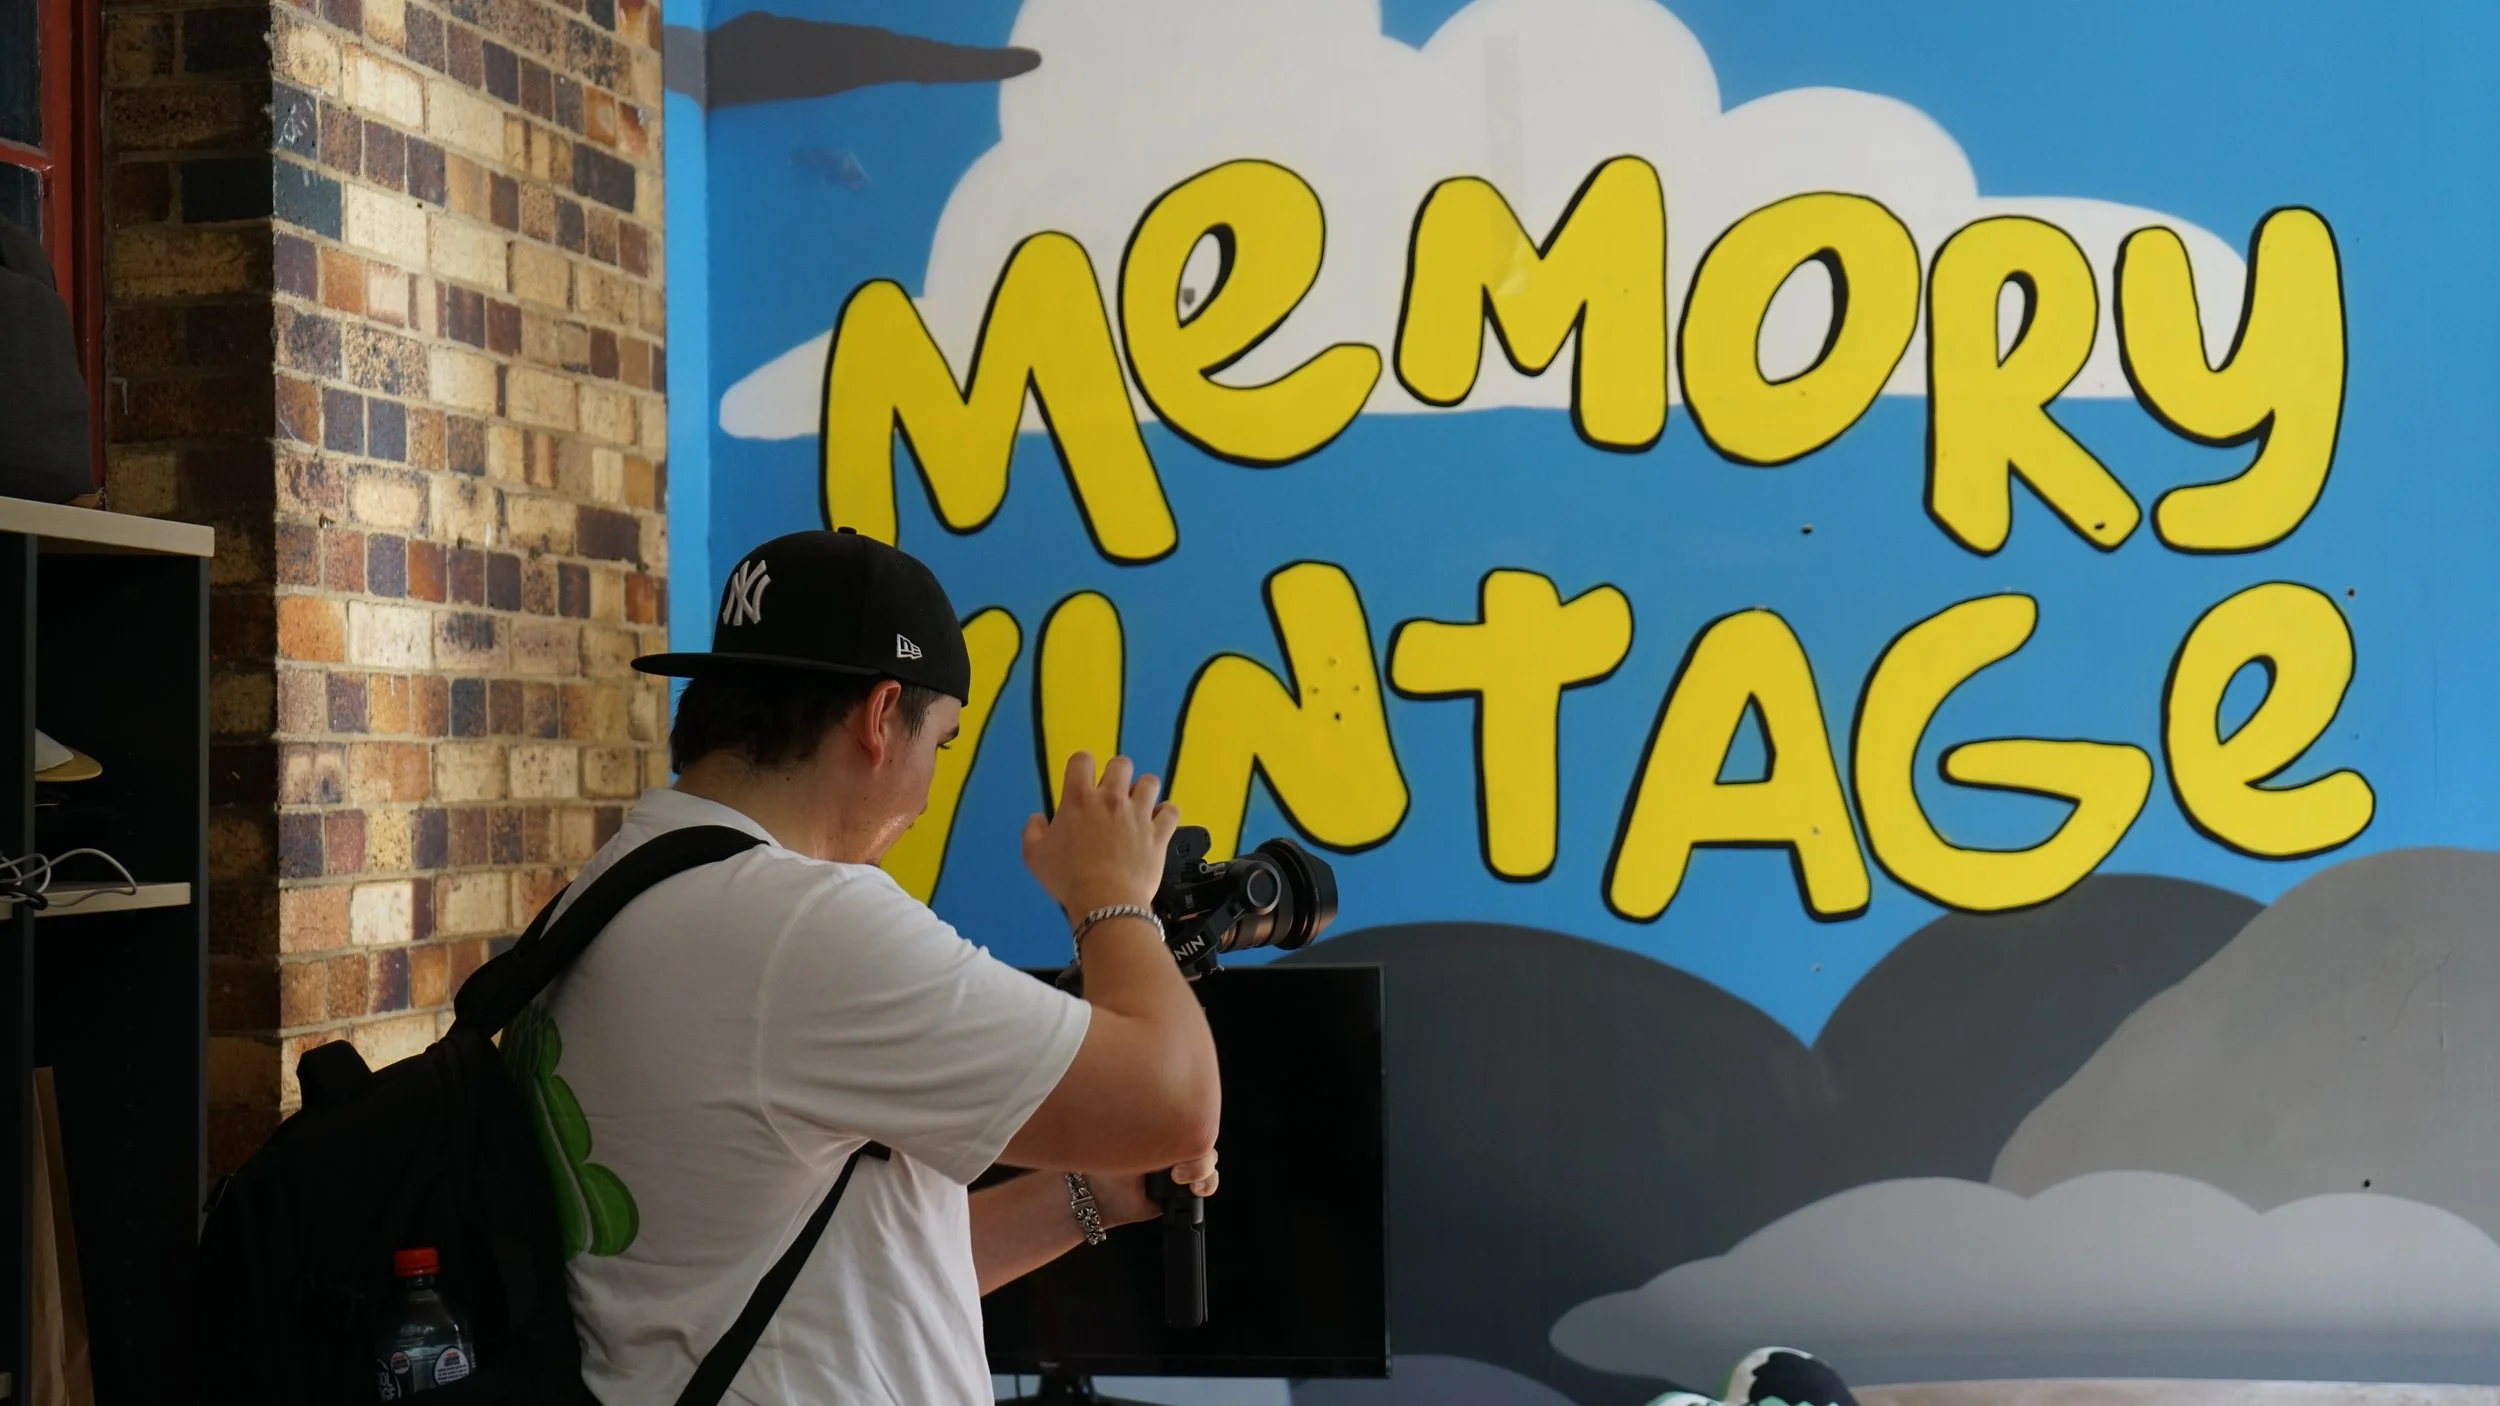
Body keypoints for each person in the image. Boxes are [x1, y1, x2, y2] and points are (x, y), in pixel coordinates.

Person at [535, 527, 1221, 1402]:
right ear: (878, 715)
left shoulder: (607, 897)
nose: (929, 790)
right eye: (940, 743)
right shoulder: (796, 927)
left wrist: (1083, 1195)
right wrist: (1111, 896)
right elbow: (1176, 1106)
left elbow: (844, 1279)